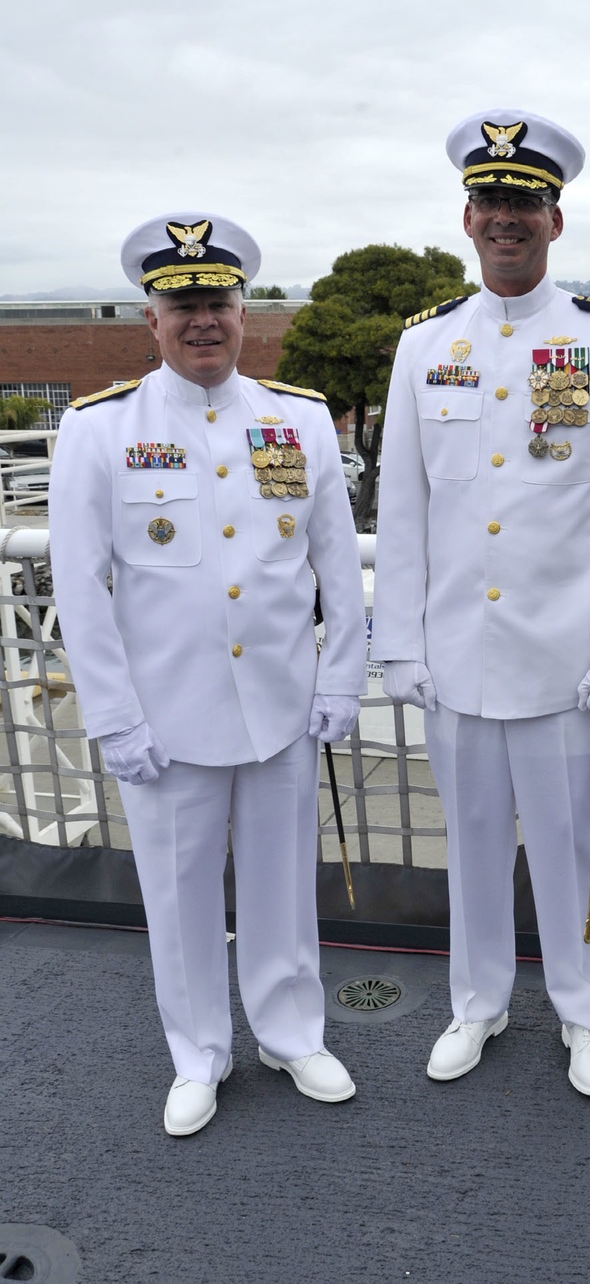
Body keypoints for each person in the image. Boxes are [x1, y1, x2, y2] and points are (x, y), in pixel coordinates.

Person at [371, 110, 590, 1097]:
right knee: (470, 850)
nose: (508, 219)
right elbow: (403, 505)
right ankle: (478, 1003)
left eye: (525, 203)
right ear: (467, 217)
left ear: (555, 219)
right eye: (492, 201)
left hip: (565, 662)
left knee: (573, 855)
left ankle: (584, 1015)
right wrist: (399, 641)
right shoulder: (424, 346)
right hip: (455, 656)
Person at [49, 213, 367, 1136]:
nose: (202, 321)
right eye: (181, 304)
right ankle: (198, 1053)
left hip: (279, 704)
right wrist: (114, 718)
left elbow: (336, 570)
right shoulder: (101, 429)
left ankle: (292, 1032)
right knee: (179, 896)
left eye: (218, 303)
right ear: (150, 318)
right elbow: (81, 585)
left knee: (281, 885)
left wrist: (340, 681)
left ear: (244, 313)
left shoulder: (296, 420)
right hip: (166, 715)